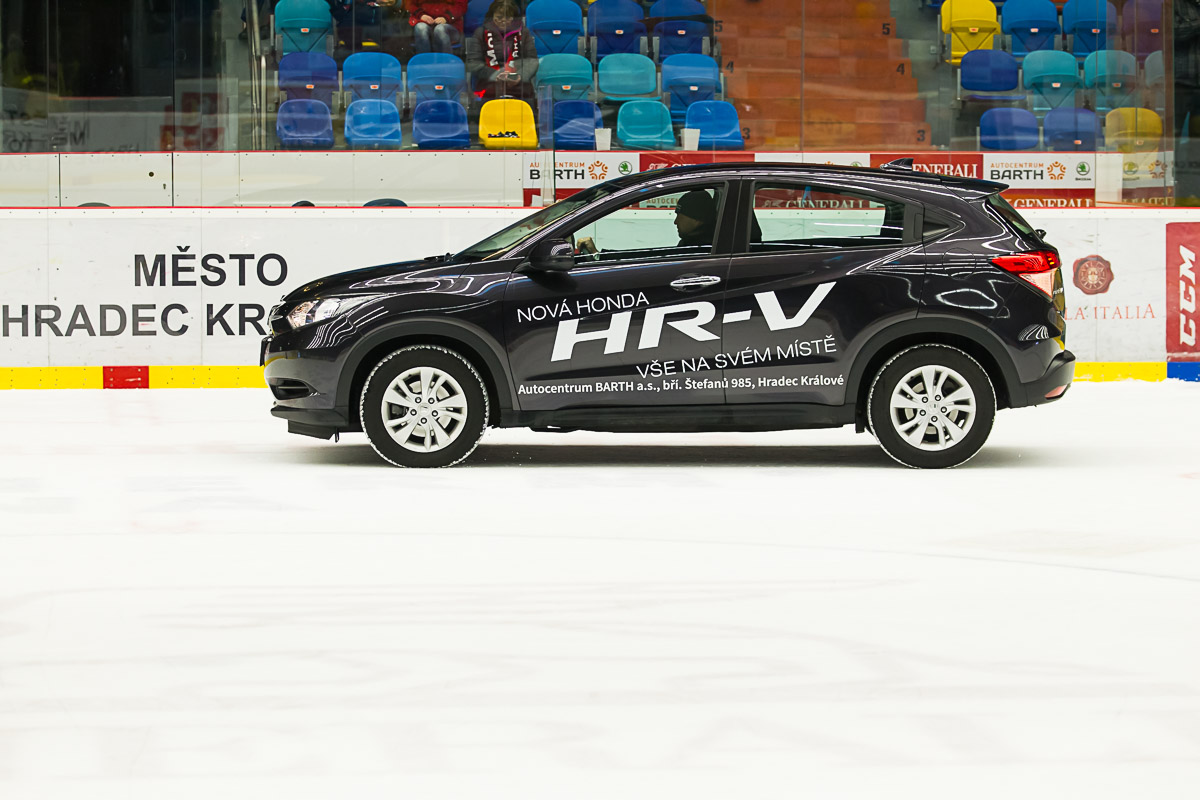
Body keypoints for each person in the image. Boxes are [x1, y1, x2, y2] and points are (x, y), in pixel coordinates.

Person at [465, 0, 538, 102]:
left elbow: (532, 60)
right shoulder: (480, 33)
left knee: (527, 99)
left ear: (513, 18)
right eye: (499, 17)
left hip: (519, 82)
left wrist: (519, 76)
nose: (503, 21)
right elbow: (473, 63)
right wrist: (496, 75)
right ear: (492, 17)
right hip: (489, 82)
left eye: (508, 17)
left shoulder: (524, 33)